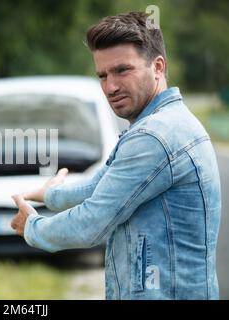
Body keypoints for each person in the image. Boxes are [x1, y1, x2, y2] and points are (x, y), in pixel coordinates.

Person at [11, 12, 221, 299]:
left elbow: (91, 223)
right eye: (103, 75)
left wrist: (33, 228)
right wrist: (51, 196)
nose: (110, 87)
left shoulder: (155, 136)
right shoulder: (159, 124)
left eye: (123, 70)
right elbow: (103, 186)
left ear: (157, 67)